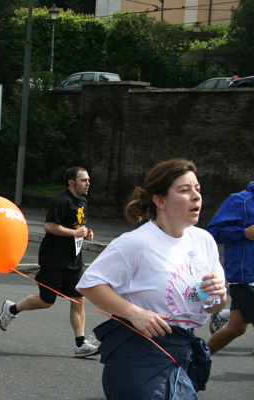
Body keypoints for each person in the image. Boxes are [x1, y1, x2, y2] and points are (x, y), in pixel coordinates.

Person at [76, 159, 227, 399]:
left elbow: (214, 306)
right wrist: (134, 312)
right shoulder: (137, 242)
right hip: (139, 355)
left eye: (197, 189)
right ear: (160, 201)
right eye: (185, 190)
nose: (196, 196)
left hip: (182, 351)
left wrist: (219, 295)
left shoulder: (204, 241)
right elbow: (91, 284)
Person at [0, 166, 99, 358]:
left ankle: (80, 343)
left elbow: (78, 225)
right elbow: (50, 226)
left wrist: (86, 234)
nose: (88, 183)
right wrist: (74, 233)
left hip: (74, 258)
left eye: (88, 180)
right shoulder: (61, 201)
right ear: (71, 183)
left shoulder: (83, 201)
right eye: (84, 180)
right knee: (46, 301)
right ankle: (11, 309)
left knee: (78, 299)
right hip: (53, 258)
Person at [206, 181, 254, 356]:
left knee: (236, 328)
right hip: (246, 276)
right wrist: (243, 232)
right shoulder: (239, 200)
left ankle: (195, 360)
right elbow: (212, 232)